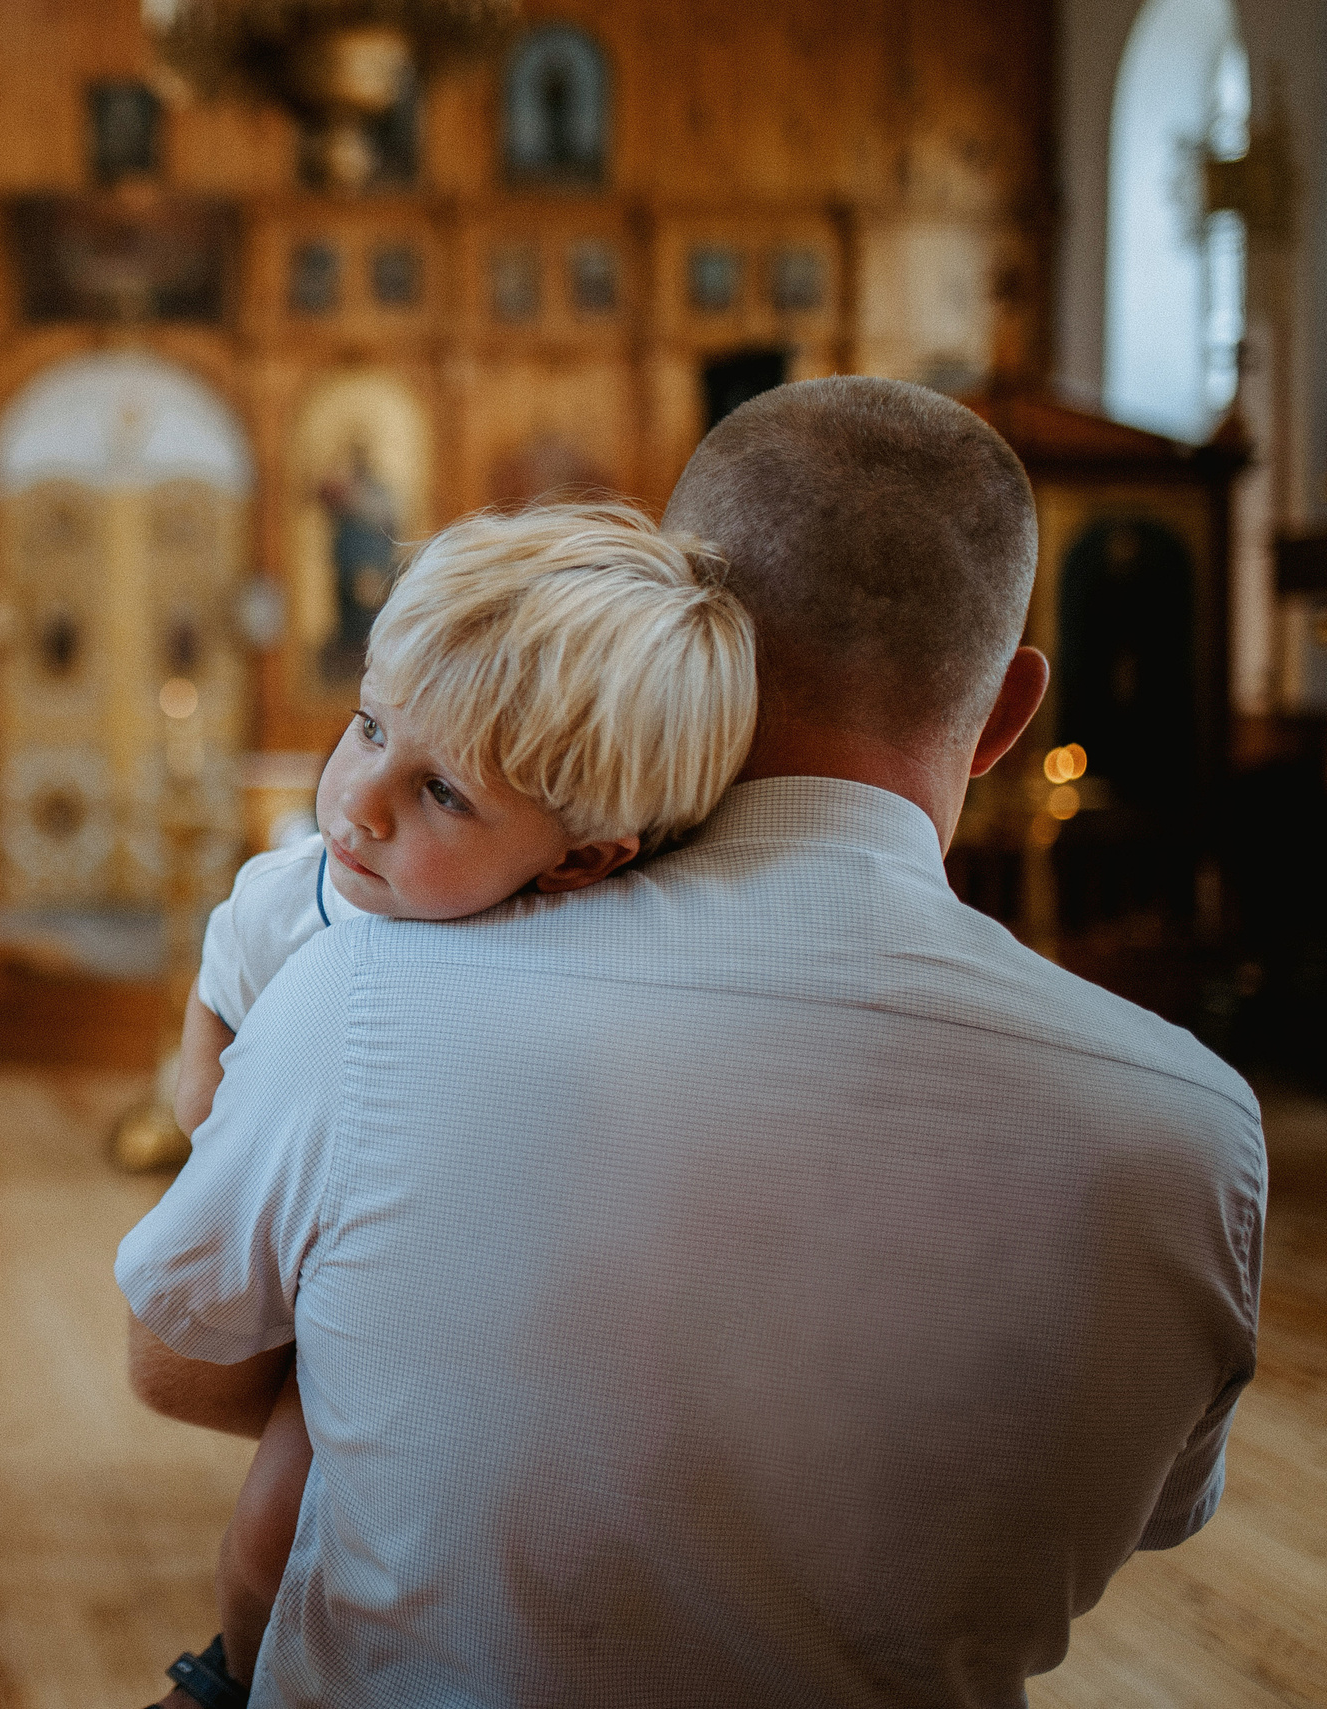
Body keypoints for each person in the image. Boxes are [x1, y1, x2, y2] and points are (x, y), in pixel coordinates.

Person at [118, 377, 1266, 1707]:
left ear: (676, 626)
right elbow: (1157, 1506)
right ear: (1007, 713)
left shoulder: (366, 986)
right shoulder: (1189, 1128)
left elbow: (178, 1358)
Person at [154, 502, 757, 1704]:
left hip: (518, 1315)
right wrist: (229, 1131)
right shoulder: (288, 896)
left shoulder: (589, 948)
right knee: (265, 1541)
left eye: (440, 791)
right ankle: (237, 1676)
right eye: (368, 725)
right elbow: (207, 1052)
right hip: (327, 1269)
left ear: (580, 859)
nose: (357, 802)